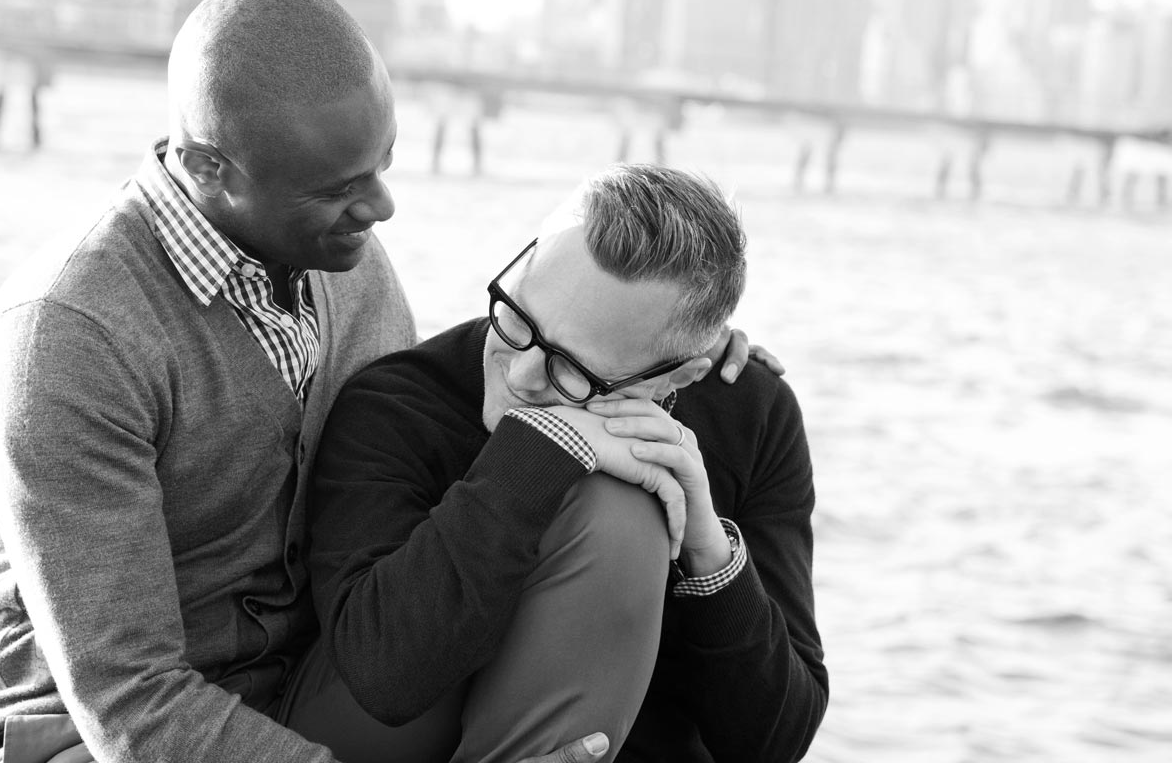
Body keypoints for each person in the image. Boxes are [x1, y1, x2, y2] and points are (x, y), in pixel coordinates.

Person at [0, 0, 769, 763]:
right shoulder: (69, 341)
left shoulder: (346, 265)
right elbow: (129, 701)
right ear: (207, 169)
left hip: (302, 690)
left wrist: (666, 353)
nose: (381, 207)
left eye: (384, 162)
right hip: (79, 738)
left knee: (581, 524)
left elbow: (430, 431)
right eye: (341, 187)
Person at [288, 164, 827, 763]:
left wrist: (708, 551)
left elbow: (775, 743)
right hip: (371, 737)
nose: (520, 375)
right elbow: (383, 675)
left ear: (680, 375)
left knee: (624, 508)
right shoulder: (401, 402)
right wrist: (542, 447)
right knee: (614, 507)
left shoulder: (750, 412)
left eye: (574, 371)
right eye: (518, 320)